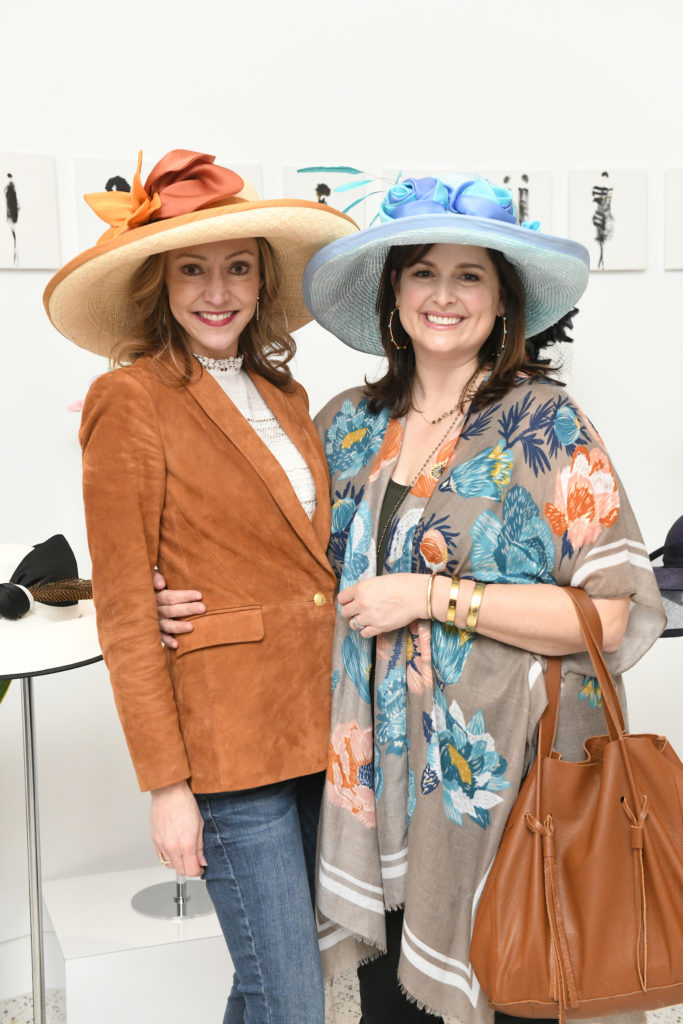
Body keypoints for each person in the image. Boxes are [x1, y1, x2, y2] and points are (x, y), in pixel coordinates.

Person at [157, 173, 666, 1024]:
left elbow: (608, 614)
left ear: (502, 301)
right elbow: (286, 573)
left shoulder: (545, 425)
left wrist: (430, 596)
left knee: (520, 991)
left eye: (470, 275)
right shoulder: (344, 425)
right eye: (423, 271)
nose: (443, 294)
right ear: (392, 293)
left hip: (512, 788)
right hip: (378, 785)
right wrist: (180, 597)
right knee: (399, 1005)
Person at [43, 148, 358, 1024]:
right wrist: (166, 786)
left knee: (266, 978)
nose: (216, 291)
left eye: (235, 268)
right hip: (226, 746)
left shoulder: (286, 393)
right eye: (191, 269)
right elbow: (122, 609)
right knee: (291, 999)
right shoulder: (129, 398)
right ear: (159, 283)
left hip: (315, 727)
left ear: (261, 280)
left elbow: (301, 561)